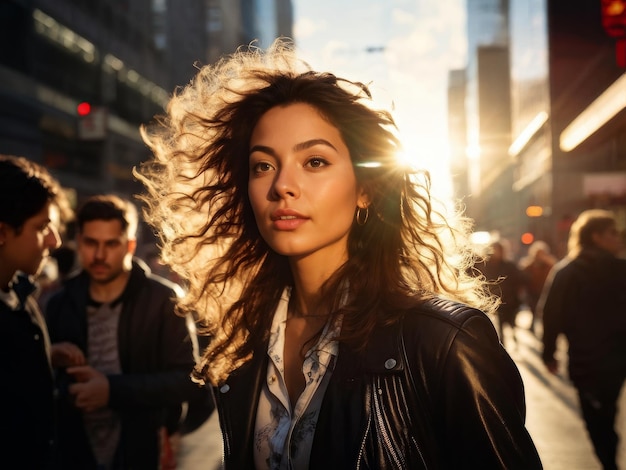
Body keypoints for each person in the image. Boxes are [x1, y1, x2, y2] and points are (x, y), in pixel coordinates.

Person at [136, 40, 542, 468]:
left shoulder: (444, 343)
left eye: (314, 161)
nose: (282, 186)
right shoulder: (244, 344)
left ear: (365, 188)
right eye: (262, 165)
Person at [45, 194, 213, 469]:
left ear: (130, 246)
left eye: (111, 244)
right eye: (91, 243)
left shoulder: (163, 300)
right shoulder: (59, 303)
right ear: (79, 243)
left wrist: (111, 390)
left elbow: (189, 381)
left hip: (141, 453)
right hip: (73, 452)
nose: (99, 255)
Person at [539, 209, 626, 470]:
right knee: (607, 413)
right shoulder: (621, 268)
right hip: (618, 357)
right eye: (613, 233)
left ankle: (609, 461)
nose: (619, 238)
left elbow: (550, 314)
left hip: (585, 360)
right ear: (596, 236)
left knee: (598, 420)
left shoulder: (566, 271)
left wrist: (548, 353)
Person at [0, 155, 73, 468]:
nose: (54, 240)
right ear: (2, 232)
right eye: (42, 227)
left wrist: (42, 355)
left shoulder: (21, 294)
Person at [473, 240, 525, 347]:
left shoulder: (509, 265)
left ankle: (512, 337)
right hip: (493, 301)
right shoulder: (485, 265)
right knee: (498, 326)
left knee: (510, 322)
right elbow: (481, 279)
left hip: (509, 301)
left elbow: (519, 278)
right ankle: (502, 346)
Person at [518, 240, 556, 335]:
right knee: (533, 308)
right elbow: (522, 274)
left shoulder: (549, 264)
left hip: (545, 291)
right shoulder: (529, 264)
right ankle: (533, 324)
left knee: (544, 310)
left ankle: (543, 327)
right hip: (532, 291)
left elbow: (555, 270)